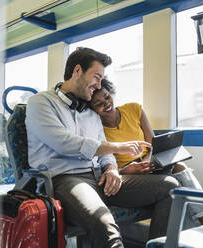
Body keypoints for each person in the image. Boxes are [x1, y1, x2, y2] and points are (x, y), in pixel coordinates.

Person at [25, 47, 180, 248]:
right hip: (65, 179)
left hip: (99, 176)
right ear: (78, 71)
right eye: (96, 77)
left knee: (170, 187)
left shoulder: (91, 112)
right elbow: (63, 143)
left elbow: (105, 155)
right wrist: (118, 147)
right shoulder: (41, 102)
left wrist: (112, 169)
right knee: (103, 222)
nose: (99, 84)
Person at [90, 78, 203, 227]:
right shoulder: (96, 129)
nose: (106, 103)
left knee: (180, 167)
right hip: (127, 174)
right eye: (98, 104)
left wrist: (147, 162)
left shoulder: (134, 109)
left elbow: (152, 144)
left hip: (150, 162)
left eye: (106, 97)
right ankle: (199, 230)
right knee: (178, 189)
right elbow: (106, 164)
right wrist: (128, 170)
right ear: (92, 109)